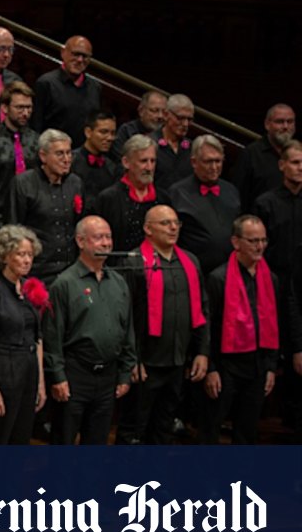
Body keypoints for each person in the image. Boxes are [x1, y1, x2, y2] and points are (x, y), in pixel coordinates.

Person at [114, 205, 209, 445]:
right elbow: (124, 316)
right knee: (133, 428)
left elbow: (202, 309)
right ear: (148, 229)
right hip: (146, 362)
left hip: (177, 360)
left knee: (164, 426)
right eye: (165, 223)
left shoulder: (190, 261)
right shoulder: (134, 263)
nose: (173, 227)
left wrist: (202, 352)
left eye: (176, 222)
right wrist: (132, 359)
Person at [43, 216, 137, 445]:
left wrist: (126, 371)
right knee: (63, 440)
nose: (105, 243)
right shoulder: (64, 284)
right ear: (81, 241)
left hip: (107, 375)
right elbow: (52, 335)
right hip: (76, 373)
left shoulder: (118, 282)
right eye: (98, 238)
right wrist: (57, 376)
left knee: (97, 441)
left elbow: (127, 330)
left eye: (108, 237)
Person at [199, 216, 285, 444]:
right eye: (253, 240)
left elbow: (274, 324)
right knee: (211, 428)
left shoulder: (271, 279)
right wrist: (211, 368)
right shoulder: (219, 278)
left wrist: (270, 367)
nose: (260, 246)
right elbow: (207, 326)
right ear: (235, 242)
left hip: (257, 365)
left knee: (247, 431)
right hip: (226, 366)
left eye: (263, 240)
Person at [0, 226, 46, 445]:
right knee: (0, 437)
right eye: (20, 254)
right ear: (5, 256)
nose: (27, 260)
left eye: (29, 254)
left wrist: (40, 384)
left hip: (29, 371)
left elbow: (38, 338)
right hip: (5, 372)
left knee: (22, 437)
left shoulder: (30, 287)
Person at [9, 129, 85, 283]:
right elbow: (14, 229)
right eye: (60, 154)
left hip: (70, 271)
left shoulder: (76, 183)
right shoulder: (23, 183)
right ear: (43, 156)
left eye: (69, 153)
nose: (66, 159)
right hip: (37, 272)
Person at [168, 134, 241, 273]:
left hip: (230, 272)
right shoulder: (177, 193)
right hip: (193, 271)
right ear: (194, 162)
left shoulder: (231, 190)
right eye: (208, 161)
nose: (214, 167)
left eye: (218, 161)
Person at [92, 134, 170, 252]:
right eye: (143, 161)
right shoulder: (108, 199)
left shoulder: (163, 199)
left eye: (153, 161)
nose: (149, 167)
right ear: (126, 162)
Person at [31, 35, 100, 148]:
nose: (80, 60)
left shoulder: (95, 87)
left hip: (83, 157)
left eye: (85, 56)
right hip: (53, 155)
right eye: (76, 54)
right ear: (63, 52)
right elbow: (36, 125)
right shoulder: (46, 83)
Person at [0, 81, 39, 206]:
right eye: (19, 107)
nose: (25, 113)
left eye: (29, 107)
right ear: (4, 108)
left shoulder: (36, 139)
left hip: (29, 210)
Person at [253, 140, 302, 278]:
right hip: (273, 278)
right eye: (295, 163)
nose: (301, 167)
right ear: (281, 165)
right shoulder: (265, 204)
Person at [233, 103, 295, 209]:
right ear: (267, 124)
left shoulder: (298, 153)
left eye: (290, 122)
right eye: (280, 122)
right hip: (260, 221)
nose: (286, 127)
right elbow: (238, 195)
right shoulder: (251, 153)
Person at [69, 110, 120, 210]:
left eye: (113, 133)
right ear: (88, 132)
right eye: (104, 132)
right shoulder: (70, 161)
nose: (110, 138)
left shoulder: (112, 167)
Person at [152, 94, 195, 192]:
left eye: (189, 119)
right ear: (166, 115)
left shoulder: (193, 148)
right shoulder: (149, 144)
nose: (185, 124)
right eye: (180, 118)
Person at [114, 91, 166, 155]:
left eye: (164, 112)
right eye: (154, 110)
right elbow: (118, 159)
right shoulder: (126, 130)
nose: (160, 116)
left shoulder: (166, 134)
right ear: (141, 111)